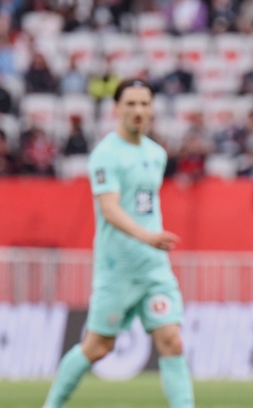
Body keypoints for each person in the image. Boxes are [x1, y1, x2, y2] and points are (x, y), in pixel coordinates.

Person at [43, 79, 194, 408]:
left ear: (152, 109)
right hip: (117, 269)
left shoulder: (156, 154)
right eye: (131, 104)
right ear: (116, 109)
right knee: (97, 347)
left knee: (172, 341)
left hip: (153, 268)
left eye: (144, 103)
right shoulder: (105, 155)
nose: (138, 110)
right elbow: (109, 210)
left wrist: (151, 240)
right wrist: (148, 236)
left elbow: (144, 204)